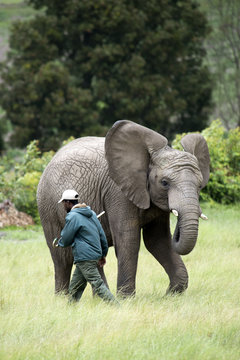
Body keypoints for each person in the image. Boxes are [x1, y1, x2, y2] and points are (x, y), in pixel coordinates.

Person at [53, 189, 117, 304]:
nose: (63, 206)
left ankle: (118, 308)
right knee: (75, 287)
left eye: (63, 203)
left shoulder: (72, 216)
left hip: (85, 257)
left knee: (98, 285)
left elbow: (66, 238)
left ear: (68, 202)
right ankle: (69, 311)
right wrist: (103, 254)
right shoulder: (91, 214)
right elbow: (102, 235)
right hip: (91, 256)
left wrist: (60, 243)